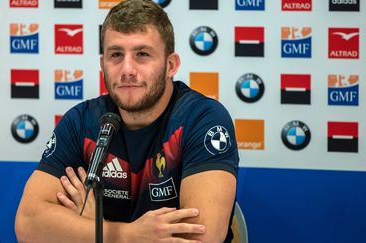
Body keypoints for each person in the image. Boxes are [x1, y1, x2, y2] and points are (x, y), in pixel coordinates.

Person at [15, 0, 239, 242]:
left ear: (170, 65)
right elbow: (29, 224)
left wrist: (93, 227)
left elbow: (199, 239)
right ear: (103, 64)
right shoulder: (82, 121)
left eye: (142, 54)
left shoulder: (202, 119)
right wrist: (129, 235)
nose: (127, 69)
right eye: (116, 55)